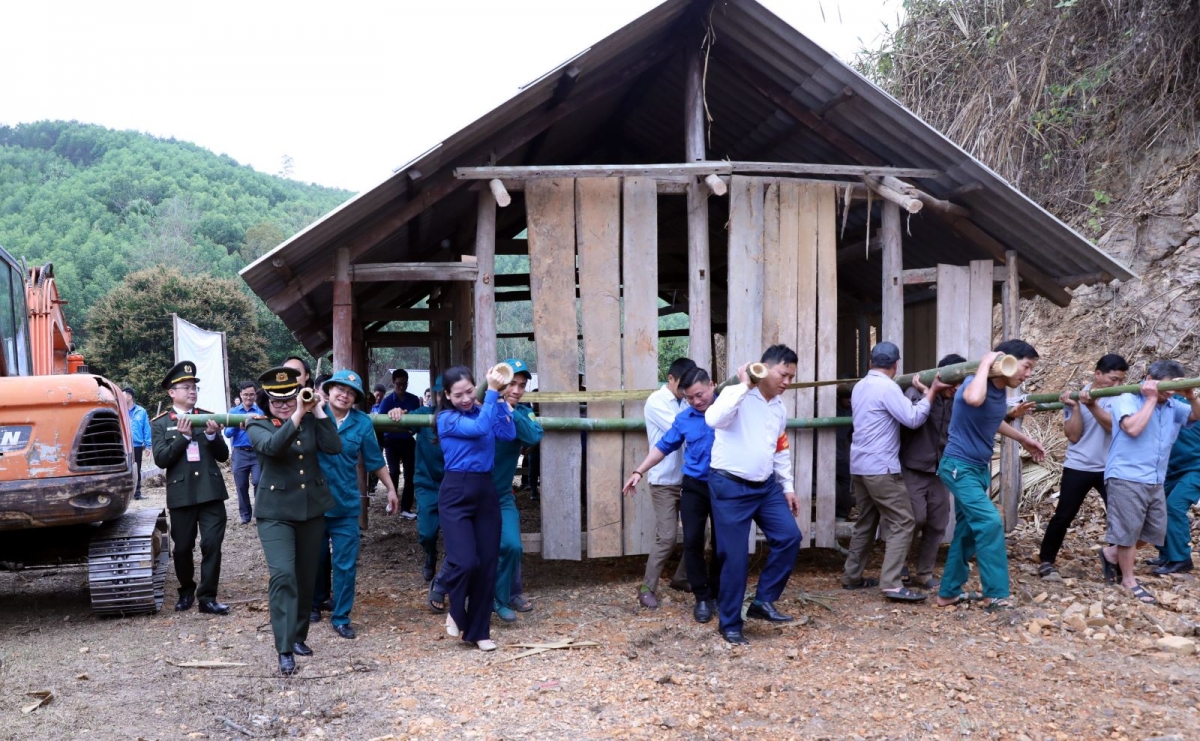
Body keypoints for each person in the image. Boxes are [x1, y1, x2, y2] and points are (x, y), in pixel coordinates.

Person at [934, 341, 1046, 611]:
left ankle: (948, 592)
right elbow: (973, 399)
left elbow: (992, 420)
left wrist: (1024, 440)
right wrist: (986, 362)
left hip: (978, 469)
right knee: (990, 522)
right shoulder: (975, 383)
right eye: (1026, 366)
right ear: (1006, 362)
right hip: (959, 468)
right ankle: (995, 593)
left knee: (968, 531)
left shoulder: (997, 392)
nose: (1027, 374)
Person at [246, 365, 342, 675]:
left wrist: (321, 412)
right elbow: (273, 448)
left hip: (310, 509)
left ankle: (299, 635)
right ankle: (284, 647)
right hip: (275, 513)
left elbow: (334, 447)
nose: (286, 405)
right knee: (283, 576)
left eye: (290, 399)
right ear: (267, 402)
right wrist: (299, 415)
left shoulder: (312, 419)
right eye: (278, 401)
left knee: (305, 577)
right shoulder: (257, 424)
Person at [704, 346, 803, 645]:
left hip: (765, 486)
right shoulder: (738, 395)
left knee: (789, 537)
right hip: (730, 486)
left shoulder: (779, 409)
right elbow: (713, 418)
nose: (787, 381)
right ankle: (730, 624)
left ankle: (763, 601)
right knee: (735, 558)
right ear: (765, 368)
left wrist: (787, 487)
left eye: (791, 377)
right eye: (783, 374)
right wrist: (743, 385)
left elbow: (780, 448)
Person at [842, 342, 947, 602]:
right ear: (896, 365)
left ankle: (852, 576)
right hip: (882, 467)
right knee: (904, 521)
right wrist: (931, 393)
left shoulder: (860, 386)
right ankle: (891, 583)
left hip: (859, 465)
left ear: (870, 363)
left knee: (866, 521)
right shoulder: (887, 388)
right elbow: (912, 418)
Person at [624, 366, 720, 624]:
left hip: (724, 486)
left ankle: (717, 594)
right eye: (690, 397)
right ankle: (699, 596)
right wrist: (639, 471)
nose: (696, 401)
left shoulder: (727, 408)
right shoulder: (684, 415)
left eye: (699, 395)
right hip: (690, 484)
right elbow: (665, 444)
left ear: (712, 385)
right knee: (688, 539)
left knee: (722, 543)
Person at [1100, 360, 1200, 604]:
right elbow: (1132, 428)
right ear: (1149, 379)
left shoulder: (1173, 405)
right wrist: (1152, 399)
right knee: (1128, 529)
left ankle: (1110, 554)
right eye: (1164, 389)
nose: (1169, 394)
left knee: (1155, 529)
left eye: (1172, 390)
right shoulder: (1126, 398)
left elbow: (1197, 416)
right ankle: (1129, 580)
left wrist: (1190, 396)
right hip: (1126, 474)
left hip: (1155, 476)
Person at [437, 364, 515, 651]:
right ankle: (457, 610)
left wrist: (503, 404)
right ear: (447, 395)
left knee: (487, 563)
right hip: (456, 491)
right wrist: (491, 394)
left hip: (485, 489)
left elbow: (506, 434)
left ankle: (479, 631)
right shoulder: (446, 418)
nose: (466, 398)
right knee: (466, 560)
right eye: (458, 394)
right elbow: (480, 428)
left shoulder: (485, 407)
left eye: (470, 391)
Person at [318, 369, 398, 639]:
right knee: (313, 559)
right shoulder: (311, 414)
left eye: (351, 393)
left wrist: (390, 489)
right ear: (328, 390)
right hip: (312, 504)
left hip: (345, 504)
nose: (345, 395)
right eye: (340, 389)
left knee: (345, 563)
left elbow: (375, 460)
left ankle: (341, 616)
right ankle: (314, 604)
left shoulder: (362, 423)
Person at [150, 361, 230, 615]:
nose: (191, 391)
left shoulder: (207, 416)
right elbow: (161, 459)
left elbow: (222, 454)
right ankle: (186, 591)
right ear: (172, 393)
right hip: (181, 494)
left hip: (210, 491)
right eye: (185, 387)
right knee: (183, 547)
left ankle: (207, 597)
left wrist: (210, 435)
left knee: (212, 544)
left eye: (194, 387)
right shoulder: (161, 423)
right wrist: (183, 438)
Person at [1037, 354, 1126, 580]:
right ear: (1098, 374)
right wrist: (1076, 409)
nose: (1116, 385)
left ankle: (1116, 561)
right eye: (1113, 379)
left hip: (1110, 467)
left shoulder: (1121, 398)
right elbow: (1073, 436)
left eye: (1120, 380)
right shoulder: (1075, 397)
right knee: (1064, 514)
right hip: (1078, 466)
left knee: (1119, 516)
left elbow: (1112, 428)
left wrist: (1093, 406)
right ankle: (1046, 560)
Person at [897, 353, 965, 590]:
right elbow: (907, 420)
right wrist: (929, 393)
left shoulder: (961, 400)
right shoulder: (915, 393)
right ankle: (900, 566)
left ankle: (924, 572)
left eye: (959, 383)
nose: (954, 388)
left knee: (937, 523)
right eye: (950, 383)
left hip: (940, 470)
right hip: (914, 466)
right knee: (914, 518)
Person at [635, 357, 697, 608]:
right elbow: (680, 430)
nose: (686, 391)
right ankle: (646, 587)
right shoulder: (657, 401)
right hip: (664, 481)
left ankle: (681, 578)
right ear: (670, 378)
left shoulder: (686, 401)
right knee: (667, 537)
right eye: (682, 385)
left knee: (698, 534)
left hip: (688, 478)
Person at [491, 359, 544, 623]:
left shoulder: (522, 412)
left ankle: (500, 599)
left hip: (501, 495)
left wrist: (510, 409)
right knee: (470, 552)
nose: (517, 389)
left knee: (512, 545)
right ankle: (444, 587)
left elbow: (534, 437)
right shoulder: (482, 406)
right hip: (473, 495)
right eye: (512, 383)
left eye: (522, 385)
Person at [412, 377, 449, 606]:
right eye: (439, 393)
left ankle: (445, 576)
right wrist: (397, 413)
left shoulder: (462, 418)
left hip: (453, 484)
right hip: (427, 483)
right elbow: (402, 420)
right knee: (427, 532)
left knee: (457, 535)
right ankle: (429, 554)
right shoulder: (422, 413)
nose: (443, 397)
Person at [1153, 401, 1200, 574]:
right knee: (1158, 508)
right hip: (1170, 469)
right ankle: (1166, 554)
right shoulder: (1156, 404)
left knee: (1174, 506)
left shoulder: (1192, 407)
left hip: (1196, 469)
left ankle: (1181, 559)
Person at [379, 369, 422, 519]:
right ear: (393, 383)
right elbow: (380, 423)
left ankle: (406, 508)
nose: (401, 387)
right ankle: (392, 500)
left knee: (410, 474)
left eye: (404, 384)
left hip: (408, 441)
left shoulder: (414, 399)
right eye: (398, 384)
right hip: (391, 441)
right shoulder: (387, 401)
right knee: (394, 471)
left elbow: (417, 421)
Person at [224, 381, 264, 524]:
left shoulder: (260, 411)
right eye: (246, 394)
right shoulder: (233, 412)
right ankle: (245, 515)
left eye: (252, 394)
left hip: (257, 453)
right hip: (240, 453)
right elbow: (227, 433)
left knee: (259, 482)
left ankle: (260, 514)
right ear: (240, 395)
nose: (249, 397)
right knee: (241, 485)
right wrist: (237, 427)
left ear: (255, 395)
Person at [122, 386, 151, 500]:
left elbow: (146, 428)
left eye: (123, 395)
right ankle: (125, 493)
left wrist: (148, 445)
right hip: (123, 446)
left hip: (137, 445)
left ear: (130, 397)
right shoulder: (120, 410)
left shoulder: (141, 411)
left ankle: (137, 493)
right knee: (124, 469)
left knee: (137, 468)